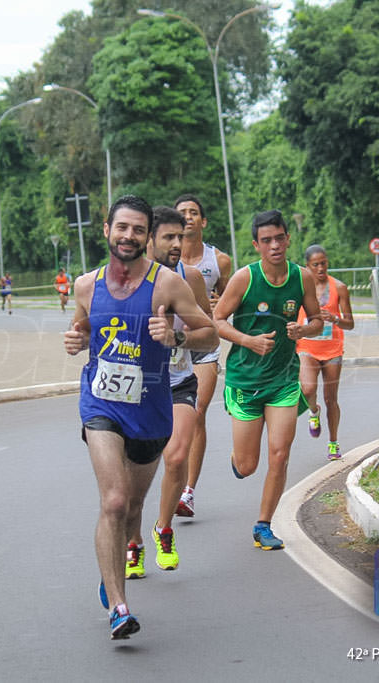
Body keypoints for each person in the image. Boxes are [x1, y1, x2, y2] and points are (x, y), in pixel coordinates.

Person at [63, 195, 216, 640]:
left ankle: (125, 550)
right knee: (113, 501)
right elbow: (84, 327)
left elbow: (206, 329)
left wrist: (175, 336)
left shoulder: (167, 284)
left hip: (151, 411)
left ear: (146, 237)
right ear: (106, 230)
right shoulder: (86, 285)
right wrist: (77, 340)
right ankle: (119, 605)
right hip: (101, 405)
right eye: (121, 227)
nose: (128, 236)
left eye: (137, 230)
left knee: (131, 507)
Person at [213, 209, 322, 550]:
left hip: (283, 379)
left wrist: (303, 329)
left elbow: (317, 320)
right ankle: (237, 459)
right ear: (256, 245)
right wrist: (247, 340)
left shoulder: (301, 277)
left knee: (280, 453)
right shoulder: (245, 278)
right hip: (245, 379)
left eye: (279, 238)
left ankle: (263, 526)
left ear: (288, 239)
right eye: (267, 241)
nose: (274, 245)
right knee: (248, 465)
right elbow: (217, 319)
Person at [124, 206, 215, 579]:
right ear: (149, 240)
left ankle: (163, 529)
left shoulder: (189, 278)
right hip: (135, 390)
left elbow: (208, 332)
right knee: (132, 477)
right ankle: (133, 542)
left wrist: (178, 337)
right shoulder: (128, 280)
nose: (178, 243)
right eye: (169, 237)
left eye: (182, 236)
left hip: (178, 381)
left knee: (176, 456)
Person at [173, 194, 232, 519]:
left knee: (196, 411)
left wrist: (216, 306)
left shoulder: (218, 260)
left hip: (204, 347)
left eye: (194, 212)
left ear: (203, 221)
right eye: (183, 213)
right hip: (171, 349)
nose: (189, 217)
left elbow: (228, 300)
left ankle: (188, 491)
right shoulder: (163, 258)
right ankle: (173, 473)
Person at [296, 245, 354, 461]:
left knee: (332, 399)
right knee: (308, 388)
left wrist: (335, 318)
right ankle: (313, 411)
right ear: (307, 266)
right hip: (307, 347)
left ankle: (333, 442)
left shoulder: (339, 288)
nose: (320, 268)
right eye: (315, 265)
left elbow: (350, 323)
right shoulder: (300, 287)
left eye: (324, 263)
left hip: (332, 349)